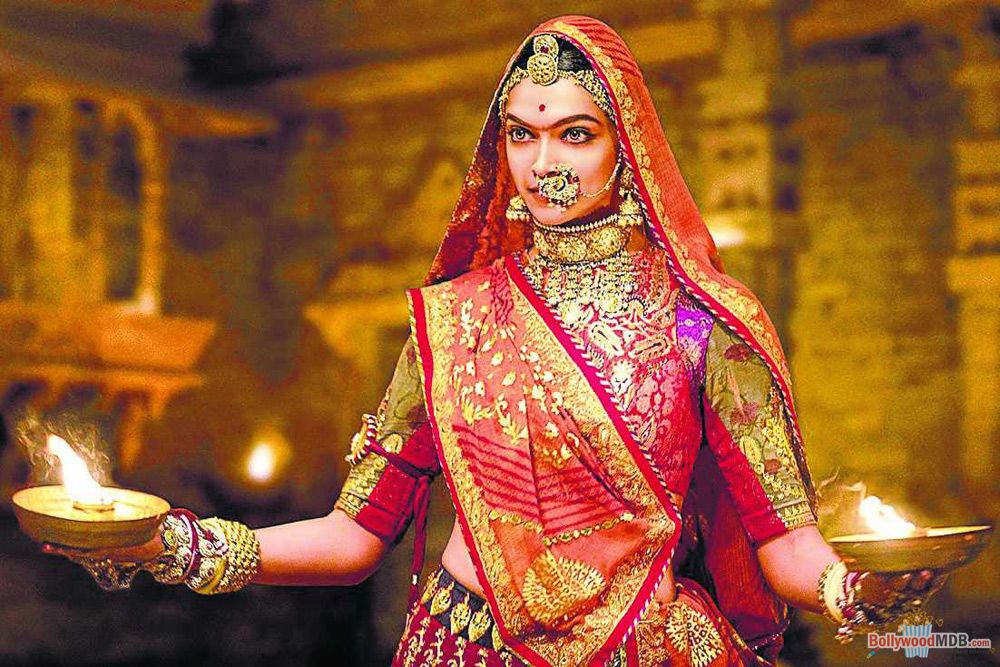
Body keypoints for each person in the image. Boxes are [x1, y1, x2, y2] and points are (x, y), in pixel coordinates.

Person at [44, 16, 943, 667]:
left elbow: (784, 541)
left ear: (626, 148)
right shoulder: (458, 318)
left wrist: (854, 590)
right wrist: (174, 546)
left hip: (642, 647)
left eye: (575, 135)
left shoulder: (702, 322)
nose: (544, 164)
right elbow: (355, 535)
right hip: (465, 643)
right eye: (523, 134)